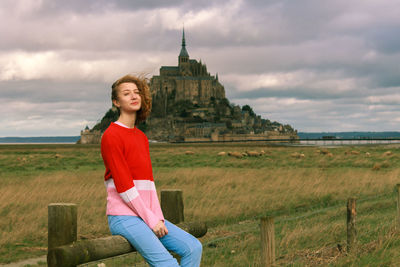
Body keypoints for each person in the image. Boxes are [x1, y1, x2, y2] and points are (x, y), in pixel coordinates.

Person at [101, 74, 202, 267]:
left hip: (147, 215)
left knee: (193, 247)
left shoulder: (141, 137)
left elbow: (149, 184)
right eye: (126, 93)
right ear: (116, 102)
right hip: (124, 217)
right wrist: (151, 220)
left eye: (137, 92)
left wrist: (159, 218)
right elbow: (124, 187)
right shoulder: (111, 135)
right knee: (169, 265)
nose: (134, 96)